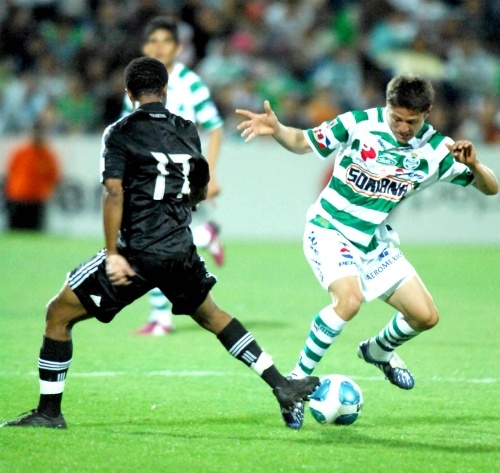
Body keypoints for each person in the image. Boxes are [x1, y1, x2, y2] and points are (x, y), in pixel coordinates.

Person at [0, 57, 319, 430]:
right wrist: (182, 208)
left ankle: (49, 413)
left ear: (128, 93)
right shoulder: (186, 129)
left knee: (58, 314)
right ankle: (281, 385)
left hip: (137, 251)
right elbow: (200, 184)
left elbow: (113, 193)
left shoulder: (119, 132)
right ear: (165, 91)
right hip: (180, 248)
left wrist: (114, 254)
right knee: (213, 316)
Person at [236, 75, 498, 430]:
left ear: (428, 113)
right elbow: (302, 142)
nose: (403, 128)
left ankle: (377, 350)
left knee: (425, 316)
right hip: (329, 228)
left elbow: (490, 188)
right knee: (349, 301)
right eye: (396, 118)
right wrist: (278, 128)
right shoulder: (358, 124)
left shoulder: (439, 149)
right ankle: (294, 383)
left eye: (411, 121)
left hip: (373, 242)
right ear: (387, 106)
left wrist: (475, 165)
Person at [123, 16, 225, 336]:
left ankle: (161, 319)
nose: (159, 47)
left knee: (152, 240)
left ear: (178, 48)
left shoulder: (190, 83)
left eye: (166, 41)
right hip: (149, 173)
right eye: (153, 41)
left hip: (179, 173)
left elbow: (215, 127)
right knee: (157, 241)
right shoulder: (137, 85)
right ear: (144, 47)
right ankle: (204, 237)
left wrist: (211, 174)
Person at [4, 118, 61, 231]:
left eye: (40, 132)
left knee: (35, 233)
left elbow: (54, 178)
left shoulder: (48, 156)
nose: (38, 135)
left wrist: (48, 194)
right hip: (17, 198)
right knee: (14, 232)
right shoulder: (20, 152)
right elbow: (10, 174)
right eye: (36, 131)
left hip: (37, 201)